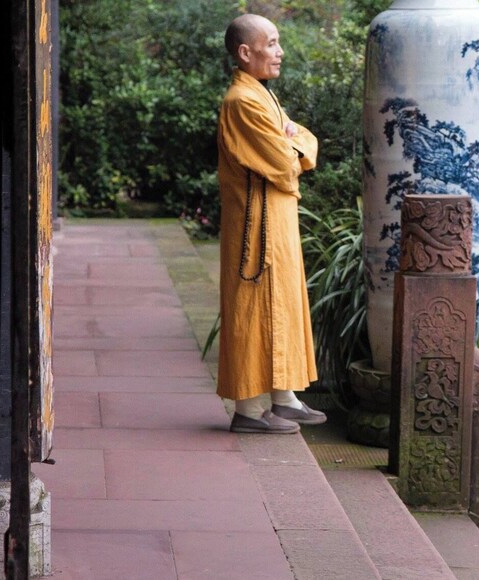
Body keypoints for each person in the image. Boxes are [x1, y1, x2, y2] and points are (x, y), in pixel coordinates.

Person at [216, 13, 326, 433]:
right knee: (252, 309)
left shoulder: (260, 94)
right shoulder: (242, 101)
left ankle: (284, 399)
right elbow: (284, 163)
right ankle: (247, 411)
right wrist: (294, 144)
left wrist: (295, 142)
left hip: (276, 219)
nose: (280, 52)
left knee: (282, 303)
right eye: (273, 43)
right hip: (255, 228)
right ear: (246, 52)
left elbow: (305, 142)